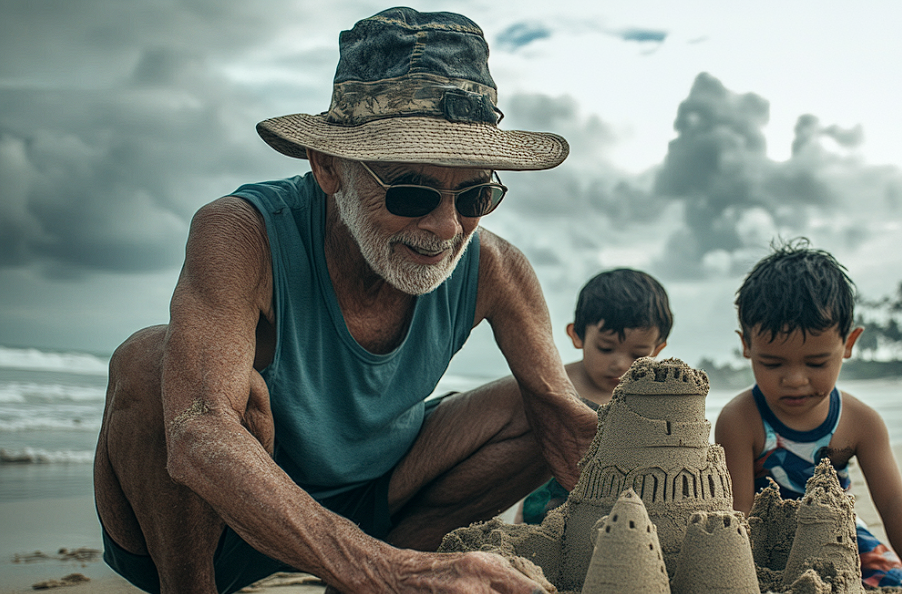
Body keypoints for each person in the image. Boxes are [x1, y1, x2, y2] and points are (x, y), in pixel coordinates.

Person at [93, 8, 598, 594]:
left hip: (380, 506)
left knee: (535, 403)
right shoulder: (242, 235)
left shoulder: (497, 269)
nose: (445, 228)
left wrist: (657, 516)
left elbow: (568, 428)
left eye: (475, 194)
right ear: (329, 166)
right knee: (150, 361)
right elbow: (197, 434)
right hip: (221, 527)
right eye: (411, 191)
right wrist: (380, 571)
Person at [715, 240, 902, 588]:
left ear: (849, 344)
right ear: (746, 346)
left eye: (816, 362)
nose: (795, 380)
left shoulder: (861, 422)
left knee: (893, 579)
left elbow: (891, 502)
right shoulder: (740, 420)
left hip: (840, 534)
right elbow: (740, 513)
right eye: (772, 363)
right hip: (768, 542)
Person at [517, 268, 672, 524]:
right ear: (576, 335)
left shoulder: (651, 398)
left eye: (638, 354)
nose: (621, 364)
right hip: (548, 507)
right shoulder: (557, 384)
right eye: (606, 348)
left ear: (658, 349)